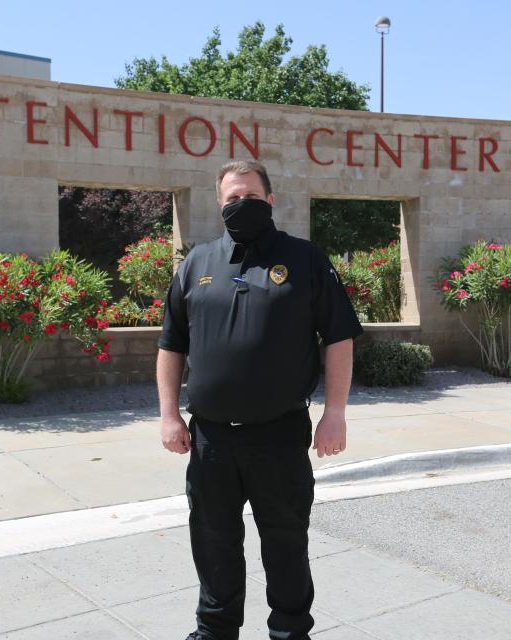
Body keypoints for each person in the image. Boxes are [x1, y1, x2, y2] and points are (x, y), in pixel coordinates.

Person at [156, 159, 364, 640]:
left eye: (250, 196)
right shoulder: (195, 264)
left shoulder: (305, 259)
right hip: (210, 440)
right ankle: (215, 631)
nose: (241, 204)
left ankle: (291, 632)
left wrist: (335, 414)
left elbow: (338, 338)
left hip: (279, 436)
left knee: (286, 544)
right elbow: (171, 344)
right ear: (218, 205)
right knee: (213, 544)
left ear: (270, 201)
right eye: (232, 198)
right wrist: (169, 415)